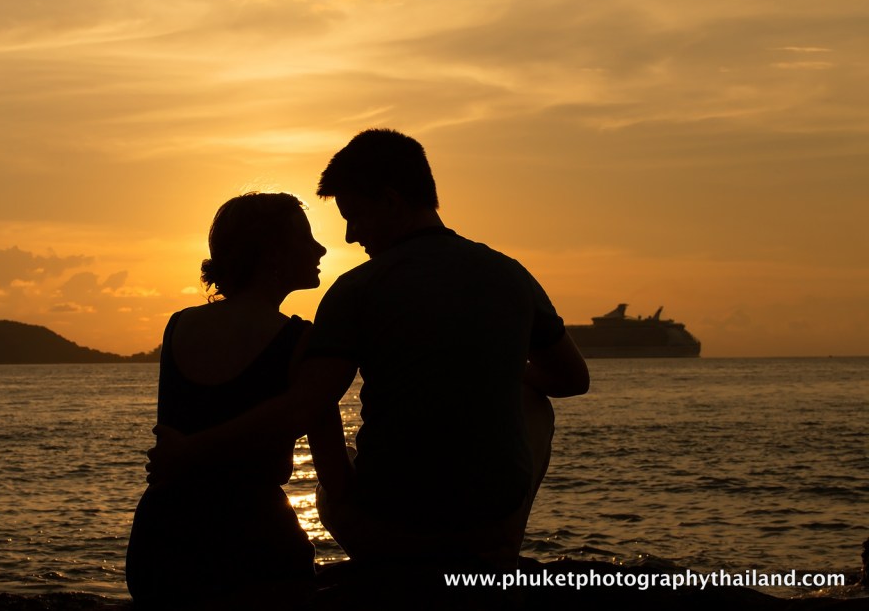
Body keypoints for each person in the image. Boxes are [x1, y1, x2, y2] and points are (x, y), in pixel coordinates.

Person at [146, 130, 589, 574]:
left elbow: (305, 405)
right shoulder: (510, 275)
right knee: (533, 406)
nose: (349, 235)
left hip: (391, 531)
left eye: (354, 216)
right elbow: (572, 378)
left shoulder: (357, 289)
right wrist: (496, 372)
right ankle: (498, 547)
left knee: (332, 484)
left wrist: (189, 450)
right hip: (488, 524)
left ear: (392, 202)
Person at [125, 192, 345, 609]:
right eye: (306, 238)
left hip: (162, 539)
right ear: (272, 255)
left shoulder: (179, 326)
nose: (320, 248)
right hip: (250, 541)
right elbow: (332, 469)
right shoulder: (301, 342)